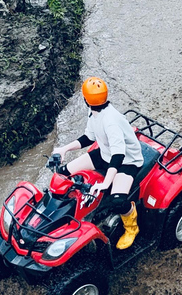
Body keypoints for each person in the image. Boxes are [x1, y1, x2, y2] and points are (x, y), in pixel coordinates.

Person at [52, 77, 145, 250]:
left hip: (127, 161)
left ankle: (132, 228)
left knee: (117, 200)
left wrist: (105, 183)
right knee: (64, 173)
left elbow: (119, 154)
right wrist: (64, 149)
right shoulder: (95, 113)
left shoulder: (110, 121)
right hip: (105, 153)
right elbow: (89, 137)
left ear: (86, 99)